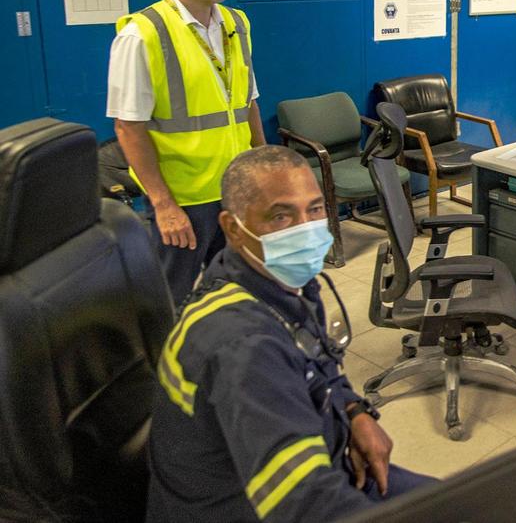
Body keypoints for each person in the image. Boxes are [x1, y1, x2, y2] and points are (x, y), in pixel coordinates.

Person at [147, 145, 433, 522]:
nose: (306, 229)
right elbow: (301, 502)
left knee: (459, 501)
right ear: (233, 228)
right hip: (244, 507)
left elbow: (318, 361)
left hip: (325, 457)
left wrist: (354, 410)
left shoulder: (268, 278)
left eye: (314, 210)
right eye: (282, 216)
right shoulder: (243, 346)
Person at [106, 0, 266, 304]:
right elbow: (129, 127)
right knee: (171, 300)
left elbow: (249, 103)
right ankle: (167, 365)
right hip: (185, 201)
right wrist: (163, 205)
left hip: (235, 188)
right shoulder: (143, 34)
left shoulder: (236, 23)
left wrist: (261, 168)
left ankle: (223, 360)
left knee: (236, 291)